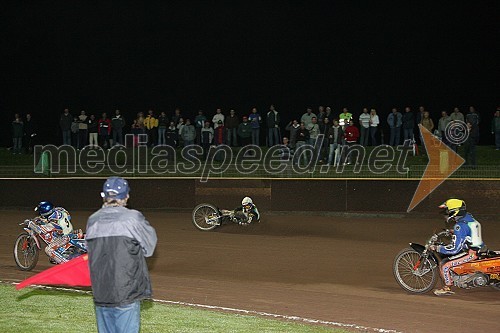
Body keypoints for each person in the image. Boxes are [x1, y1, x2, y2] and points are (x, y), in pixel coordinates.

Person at [86, 177, 157, 333]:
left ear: (103, 196)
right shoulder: (133, 218)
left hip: (101, 291)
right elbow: (149, 248)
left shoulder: (93, 220)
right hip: (126, 290)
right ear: (126, 196)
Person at [430, 199, 483, 296]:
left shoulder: (459, 226)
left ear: (454, 212)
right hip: (479, 247)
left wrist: (438, 248)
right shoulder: (468, 217)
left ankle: (447, 287)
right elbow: (468, 230)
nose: (447, 214)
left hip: (471, 253)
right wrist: (453, 232)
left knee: (444, 265)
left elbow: (454, 249)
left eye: (448, 211)